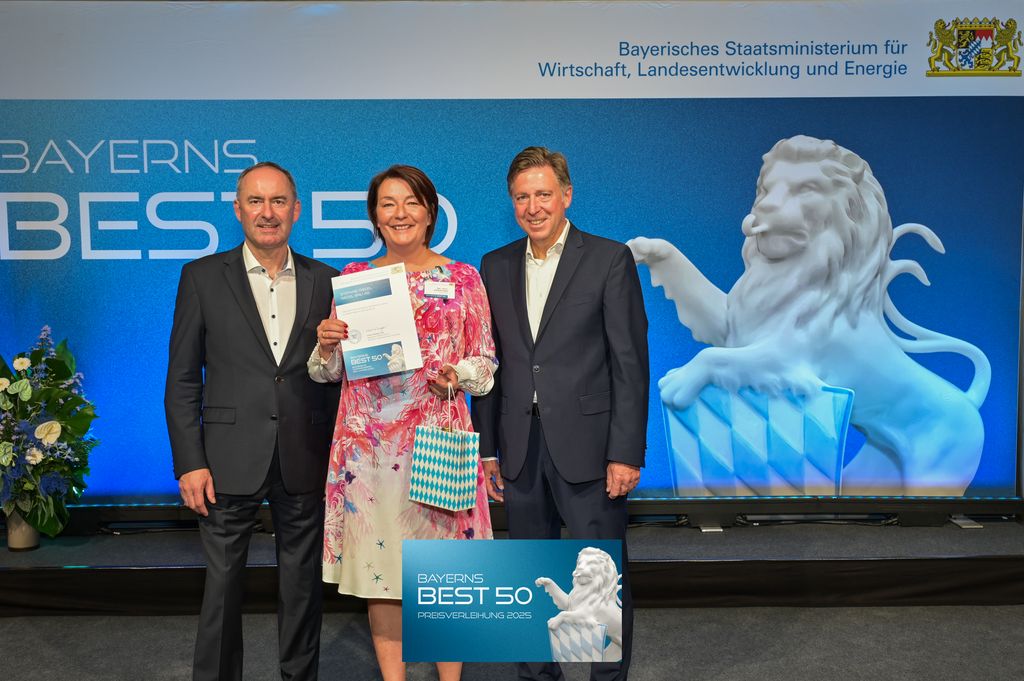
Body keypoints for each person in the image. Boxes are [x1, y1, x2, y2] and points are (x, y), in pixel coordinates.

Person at [309, 164, 496, 681]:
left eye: (411, 202)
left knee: (443, 575)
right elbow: (327, 372)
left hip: (436, 442)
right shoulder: (354, 280)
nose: (400, 214)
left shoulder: (462, 278)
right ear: (374, 215)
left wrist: (457, 373)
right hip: (367, 451)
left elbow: (486, 364)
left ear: (431, 212)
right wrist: (326, 345)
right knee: (381, 572)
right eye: (388, 204)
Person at [471, 147, 649, 681]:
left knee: (603, 578)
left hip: (592, 449)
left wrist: (625, 452)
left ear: (566, 196)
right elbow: (492, 363)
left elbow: (630, 364)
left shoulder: (608, 259)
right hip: (520, 447)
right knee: (530, 576)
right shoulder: (495, 265)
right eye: (522, 197)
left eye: (543, 194)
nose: (533, 206)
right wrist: (487, 449)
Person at [165, 161, 340, 681]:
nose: (268, 212)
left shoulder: (327, 279)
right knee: (221, 590)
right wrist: (189, 463)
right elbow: (181, 379)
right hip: (224, 461)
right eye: (256, 201)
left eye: (279, 201)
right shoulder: (200, 277)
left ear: (297, 210)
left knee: (303, 587)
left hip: (305, 455)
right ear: (238, 209)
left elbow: (334, 372)